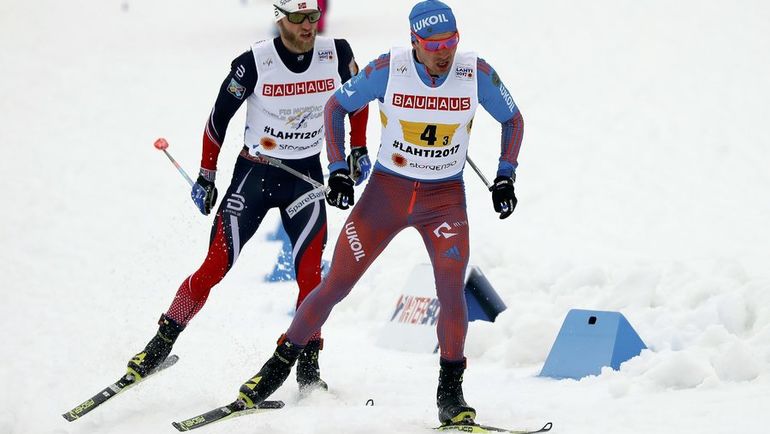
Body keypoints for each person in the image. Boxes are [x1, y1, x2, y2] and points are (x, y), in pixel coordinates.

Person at [233, 0, 523, 426]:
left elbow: (513, 120)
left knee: (451, 291)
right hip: (386, 196)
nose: (443, 52)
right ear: (414, 41)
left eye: (451, 42)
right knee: (335, 285)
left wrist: (505, 176)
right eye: (433, 45)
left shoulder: (474, 73)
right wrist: (338, 169)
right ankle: (273, 370)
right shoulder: (390, 68)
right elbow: (336, 107)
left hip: (443, 201)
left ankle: (451, 395)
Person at [126, 0, 369, 394]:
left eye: (312, 17)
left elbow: (356, 104)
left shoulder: (337, 53)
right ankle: (160, 343)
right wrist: (206, 175)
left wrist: (357, 150)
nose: (307, 26)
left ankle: (308, 367)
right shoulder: (254, 62)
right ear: (280, 18)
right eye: (297, 18)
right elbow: (217, 119)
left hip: (305, 178)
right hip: (255, 175)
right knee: (213, 267)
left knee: (311, 278)